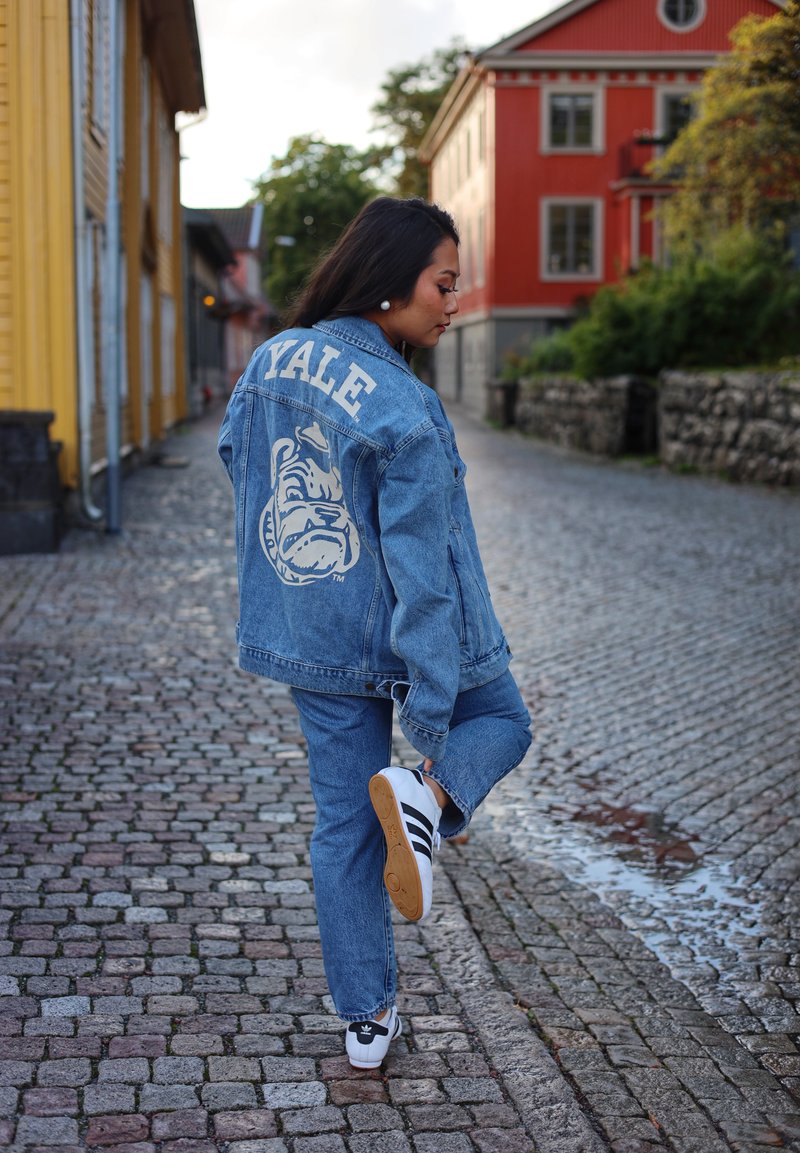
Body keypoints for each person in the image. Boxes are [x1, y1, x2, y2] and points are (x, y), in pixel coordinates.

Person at [218, 196, 531, 1069]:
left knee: (340, 824)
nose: (453, 302)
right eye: (443, 283)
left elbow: (237, 464)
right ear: (393, 282)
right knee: (503, 721)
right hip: (398, 632)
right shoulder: (404, 404)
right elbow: (425, 577)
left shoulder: (270, 358)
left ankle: (365, 1019)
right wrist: (429, 735)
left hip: (308, 632)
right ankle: (426, 800)